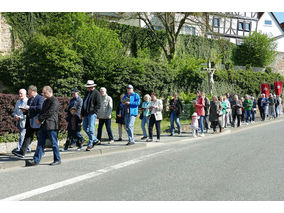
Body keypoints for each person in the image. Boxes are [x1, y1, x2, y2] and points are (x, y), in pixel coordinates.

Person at [25, 86, 61, 166]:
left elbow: (50, 112)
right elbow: (42, 111)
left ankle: (57, 159)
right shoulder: (45, 101)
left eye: (44, 93)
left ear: (49, 92)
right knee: (40, 143)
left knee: (54, 143)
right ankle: (36, 160)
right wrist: (39, 119)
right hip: (44, 125)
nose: (43, 94)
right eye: (43, 93)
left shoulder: (54, 100)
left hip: (51, 125)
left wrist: (40, 119)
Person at [12, 85, 45, 158]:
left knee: (39, 137)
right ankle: (22, 152)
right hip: (29, 121)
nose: (28, 94)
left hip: (37, 121)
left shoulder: (40, 98)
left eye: (29, 92)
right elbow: (28, 110)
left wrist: (30, 107)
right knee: (27, 137)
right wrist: (24, 111)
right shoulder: (29, 99)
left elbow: (40, 108)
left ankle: (41, 151)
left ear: (34, 91)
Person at [81, 80, 101, 151]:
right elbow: (84, 102)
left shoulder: (97, 93)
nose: (88, 88)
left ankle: (90, 143)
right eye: (88, 87)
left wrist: (94, 111)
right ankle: (95, 139)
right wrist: (82, 113)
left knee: (91, 129)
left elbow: (98, 104)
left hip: (92, 113)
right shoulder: (87, 93)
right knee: (84, 127)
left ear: (92, 86)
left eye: (89, 87)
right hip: (86, 113)